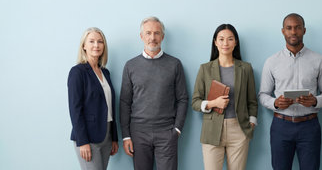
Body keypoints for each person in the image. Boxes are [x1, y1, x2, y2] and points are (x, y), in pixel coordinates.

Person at [259, 13, 322, 170]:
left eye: (297, 28)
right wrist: (275, 102)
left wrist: (315, 101)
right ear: (283, 31)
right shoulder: (271, 61)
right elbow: (263, 95)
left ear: (304, 30)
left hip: (309, 126)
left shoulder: (318, 60)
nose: (293, 32)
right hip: (281, 126)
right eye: (289, 28)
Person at [120, 16, 188, 170]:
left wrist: (176, 130)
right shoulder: (130, 66)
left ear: (162, 37)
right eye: (148, 33)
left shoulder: (174, 64)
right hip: (138, 133)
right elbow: (124, 102)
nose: (152, 38)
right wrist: (126, 135)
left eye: (157, 33)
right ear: (141, 36)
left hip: (166, 132)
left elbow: (183, 99)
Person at [191, 24, 258, 170]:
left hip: (239, 129)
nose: (225, 43)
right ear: (215, 42)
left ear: (236, 42)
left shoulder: (245, 68)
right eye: (221, 39)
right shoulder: (205, 69)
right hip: (212, 129)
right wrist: (213, 103)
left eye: (230, 39)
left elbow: (252, 101)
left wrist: (252, 122)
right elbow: (195, 102)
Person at [68, 27, 119, 170]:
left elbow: (110, 106)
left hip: (106, 135)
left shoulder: (105, 72)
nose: (96, 45)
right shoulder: (77, 72)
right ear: (84, 46)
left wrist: (114, 137)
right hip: (88, 137)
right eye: (91, 41)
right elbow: (75, 109)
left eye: (100, 42)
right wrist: (82, 141)